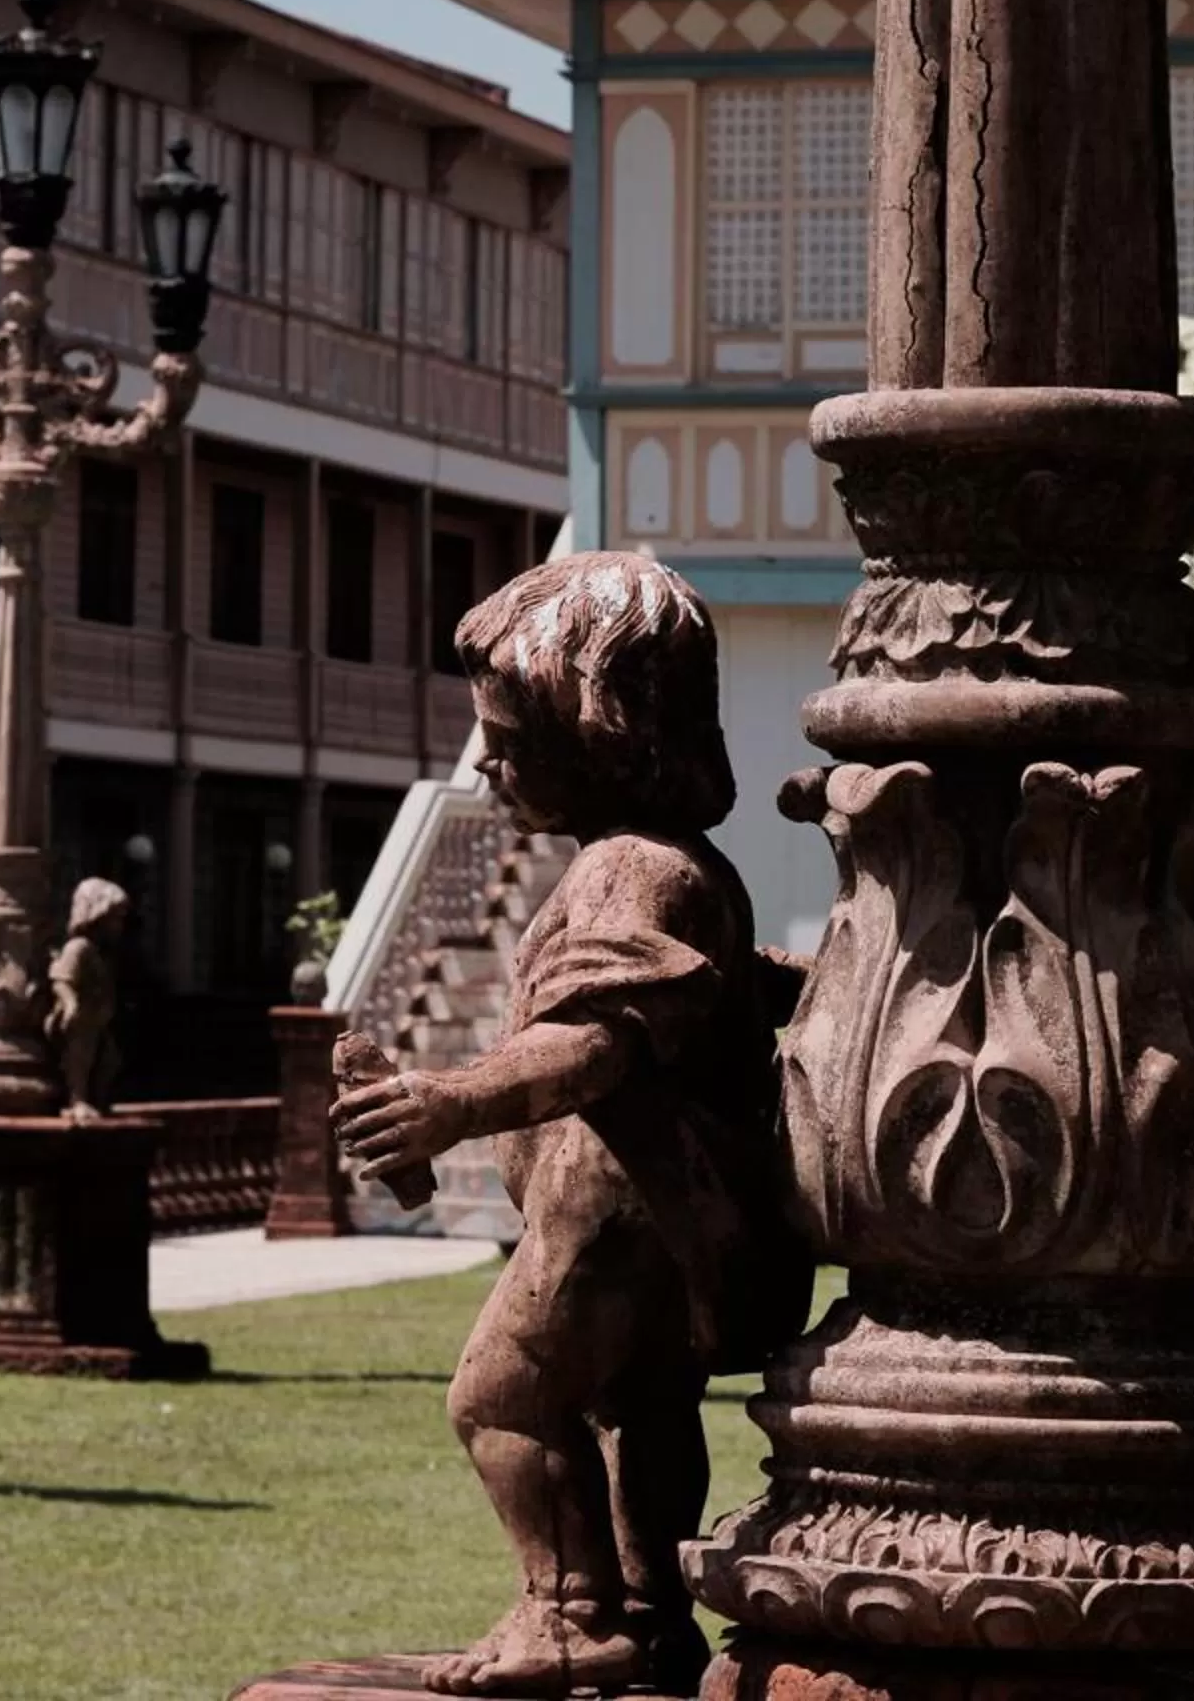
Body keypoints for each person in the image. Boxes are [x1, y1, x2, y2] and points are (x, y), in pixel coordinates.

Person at [333, 552, 812, 1698]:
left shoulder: (628, 872)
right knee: (638, 1408)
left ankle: (568, 1609)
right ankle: (647, 1613)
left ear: (604, 728)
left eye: (507, 731)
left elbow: (597, 1041)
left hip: (619, 1209)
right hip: (668, 1213)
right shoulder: (673, 866)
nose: (488, 760)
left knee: (501, 1397)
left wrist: (449, 1100)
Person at [53, 876, 131, 1120]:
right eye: (114, 918)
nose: (119, 926)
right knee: (80, 1059)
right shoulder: (79, 948)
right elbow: (61, 978)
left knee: (109, 1061)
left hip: (97, 1021)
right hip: (81, 1024)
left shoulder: (101, 953)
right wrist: (70, 1004)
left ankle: (97, 1099)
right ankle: (77, 1098)